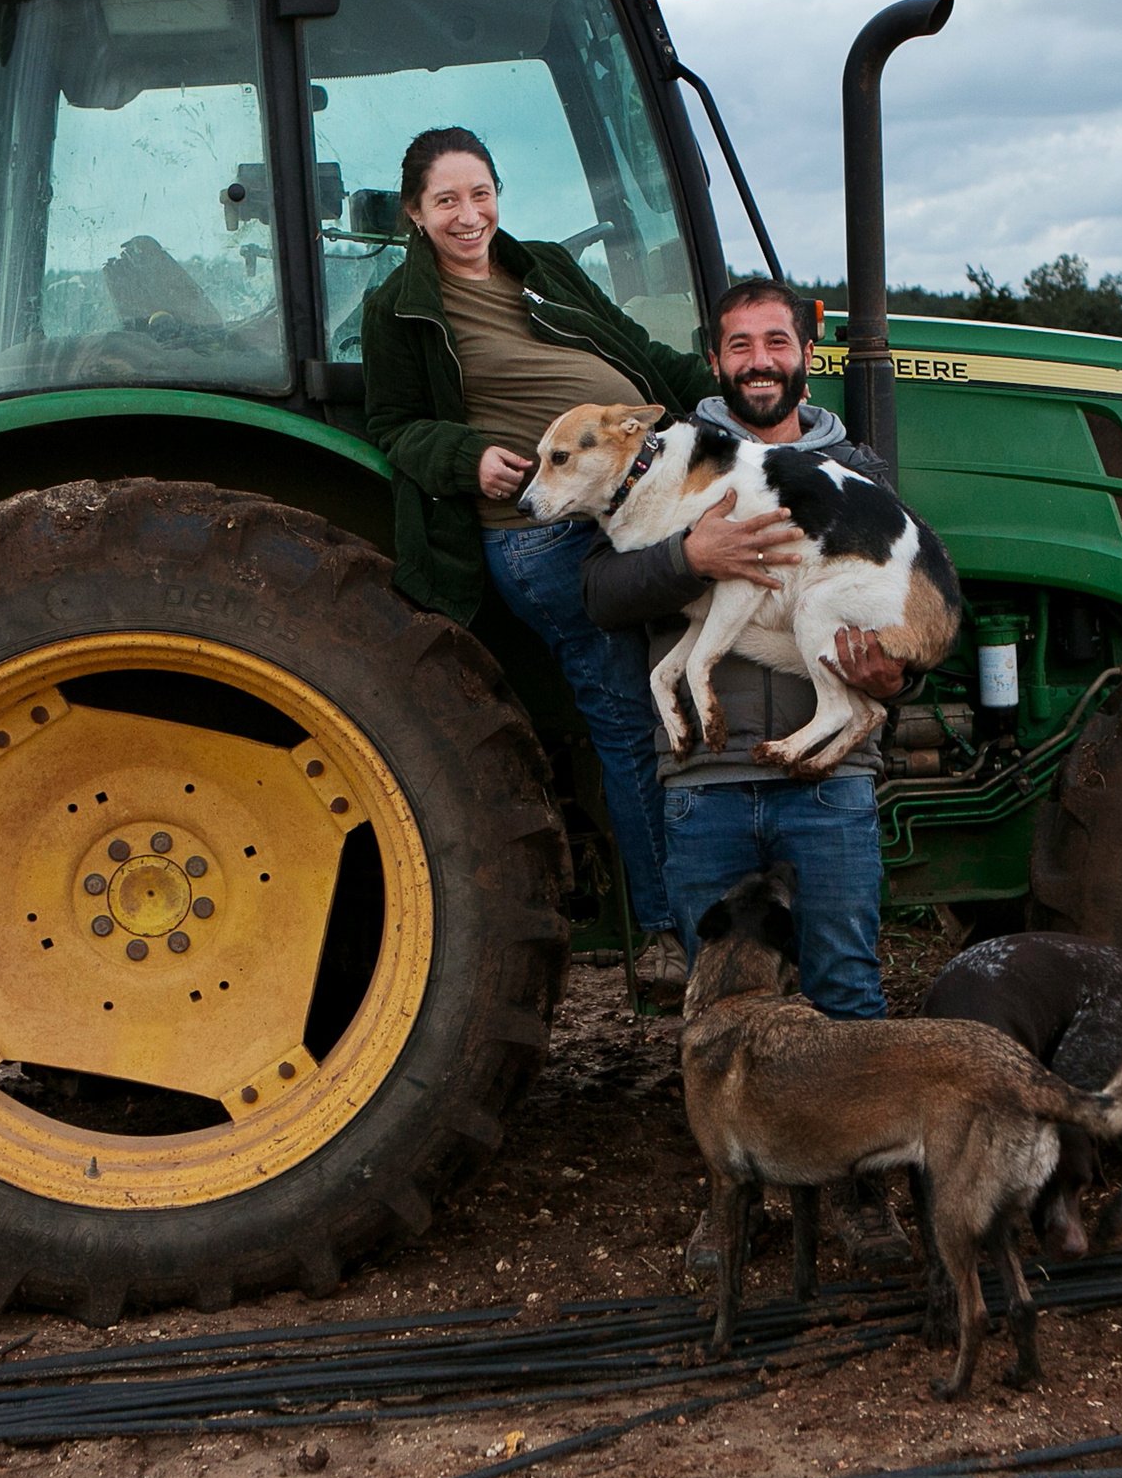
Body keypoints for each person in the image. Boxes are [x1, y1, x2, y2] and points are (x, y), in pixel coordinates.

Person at [580, 276, 926, 1275]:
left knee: (845, 984)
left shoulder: (854, 466)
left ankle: (860, 1193)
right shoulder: (665, 463)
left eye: (776, 340)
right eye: (740, 344)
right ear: (715, 355)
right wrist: (691, 550)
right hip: (707, 778)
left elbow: (903, 596)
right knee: (712, 1004)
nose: (759, 359)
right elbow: (600, 590)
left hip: (829, 778)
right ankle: (730, 1201)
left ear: (805, 350)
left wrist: (898, 675)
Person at [362, 127, 716, 992]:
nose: (467, 214)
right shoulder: (401, 308)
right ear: (416, 213)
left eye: (479, 194)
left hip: (639, 496)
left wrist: (728, 386)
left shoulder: (546, 266)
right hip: (541, 532)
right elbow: (394, 426)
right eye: (445, 200)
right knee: (630, 713)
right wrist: (467, 456)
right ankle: (672, 933)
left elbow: (636, 354)